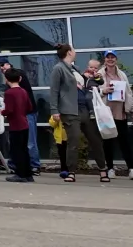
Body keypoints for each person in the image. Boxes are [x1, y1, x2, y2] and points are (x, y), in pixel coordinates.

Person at [49, 45, 108, 183]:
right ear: (69, 52)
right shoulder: (59, 69)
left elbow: (87, 85)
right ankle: (71, 172)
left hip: (85, 110)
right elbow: (54, 91)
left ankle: (103, 170)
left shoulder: (74, 68)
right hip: (69, 110)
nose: (75, 52)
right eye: (73, 50)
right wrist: (54, 110)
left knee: (96, 140)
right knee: (73, 142)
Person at [0, 58, 40, 174]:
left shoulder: (18, 75)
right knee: (20, 143)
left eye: (3, 65)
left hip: (27, 114)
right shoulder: (15, 84)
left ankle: (33, 165)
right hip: (23, 115)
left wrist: (3, 112)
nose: (2, 68)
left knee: (29, 142)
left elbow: (11, 90)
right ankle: (17, 165)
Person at [99, 50, 133, 179]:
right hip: (106, 113)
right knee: (108, 141)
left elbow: (128, 92)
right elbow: (94, 90)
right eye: (108, 57)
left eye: (113, 57)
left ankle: (131, 168)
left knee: (125, 142)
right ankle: (110, 168)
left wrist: (130, 108)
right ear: (105, 60)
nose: (111, 60)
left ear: (116, 59)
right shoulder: (100, 74)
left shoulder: (122, 75)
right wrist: (104, 90)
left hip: (121, 113)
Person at [0, 68, 34, 183]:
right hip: (25, 123)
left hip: (15, 125)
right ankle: (28, 174)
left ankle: (20, 174)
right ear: (20, 78)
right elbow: (29, 107)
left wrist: (2, 112)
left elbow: (9, 109)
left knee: (16, 150)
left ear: (6, 79)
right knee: (24, 149)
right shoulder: (23, 91)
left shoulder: (9, 93)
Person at [48, 113, 69, 179]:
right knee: (62, 155)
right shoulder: (56, 114)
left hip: (69, 138)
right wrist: (55, 119)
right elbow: (52, 124)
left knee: (69, 154)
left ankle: (70, 170)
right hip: (60, 139)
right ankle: (63, 170)